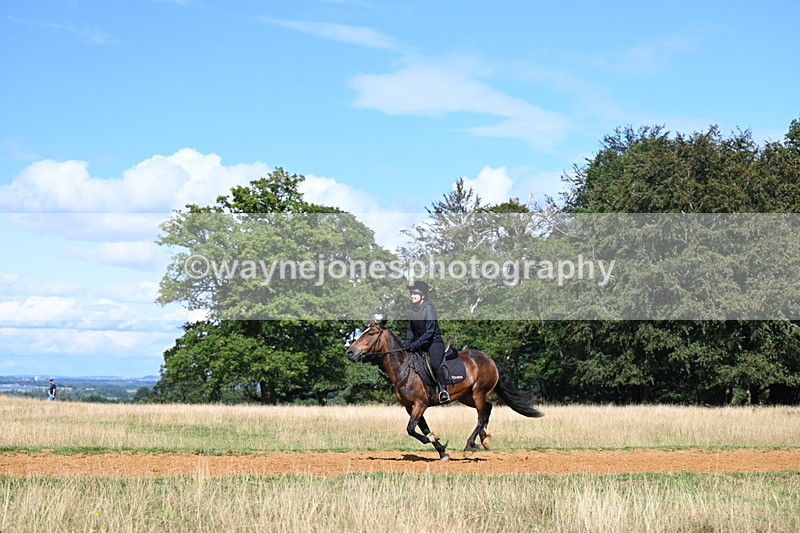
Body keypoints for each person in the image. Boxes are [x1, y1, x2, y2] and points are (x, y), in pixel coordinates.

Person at [404, 280, 450, 403]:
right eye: (411, 293)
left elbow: (430, 332)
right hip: (420, 343)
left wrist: (415, 344)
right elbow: (410, 328)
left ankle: (443, 391)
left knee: (435, 364)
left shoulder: (428, 308)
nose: (412, 296)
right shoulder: (413, 309)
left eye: (415, 293)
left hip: (434, 342)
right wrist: (408, 342)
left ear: (422, 295)